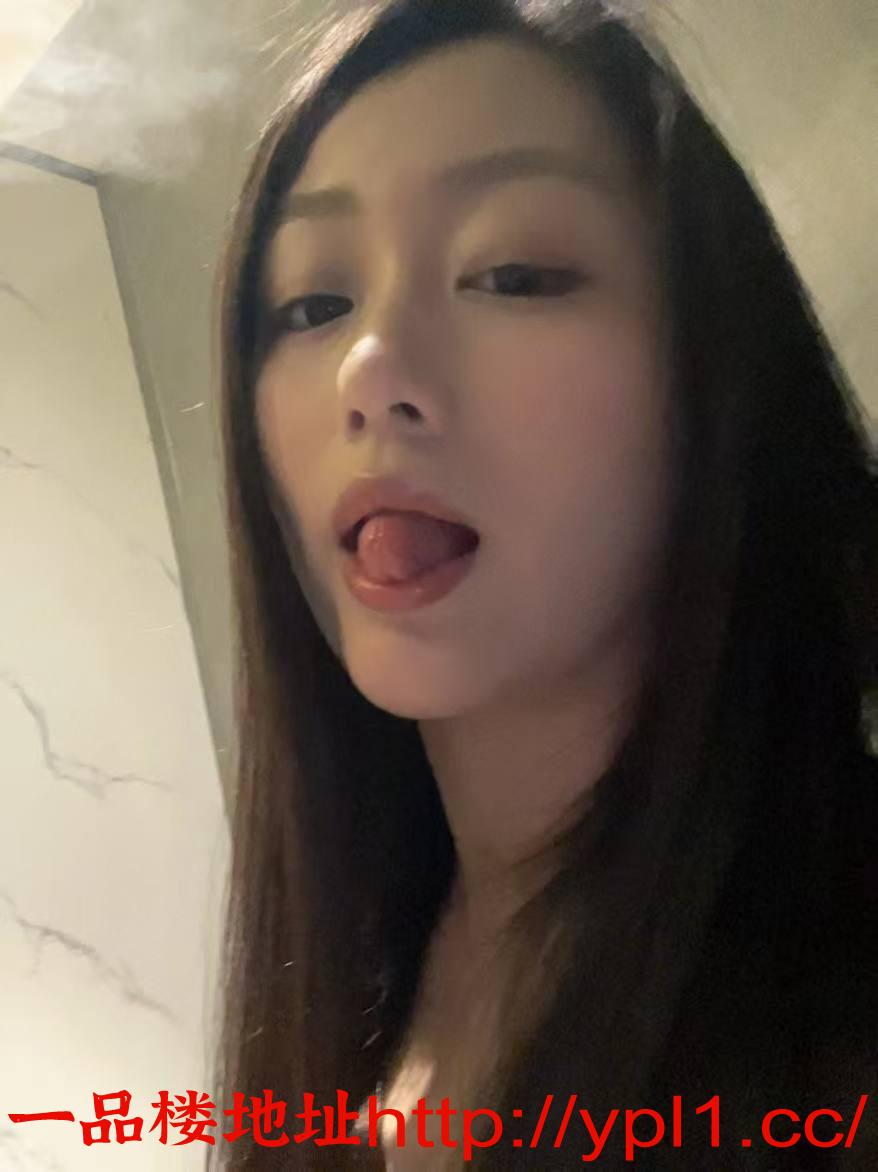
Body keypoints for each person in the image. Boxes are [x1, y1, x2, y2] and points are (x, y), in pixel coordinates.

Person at [207, 1, 877, 1167]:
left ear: (711, 373)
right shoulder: (342, 977)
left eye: (512, 274)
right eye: (313, 305)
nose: (369, 366)